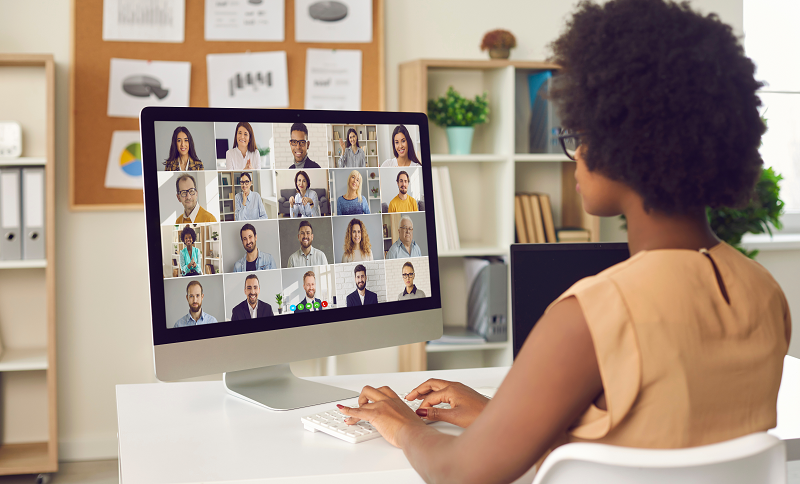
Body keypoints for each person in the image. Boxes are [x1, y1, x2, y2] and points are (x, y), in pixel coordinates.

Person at [334, 1, 792, 482]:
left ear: (624, 143)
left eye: (578, 135)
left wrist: (403, 425)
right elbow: (657, 444)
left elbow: (458, 473)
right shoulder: (764, 292)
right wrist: (497, 416)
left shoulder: (592, 312)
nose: (574, 156)